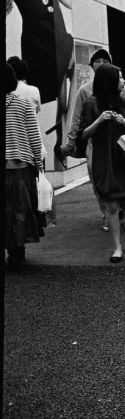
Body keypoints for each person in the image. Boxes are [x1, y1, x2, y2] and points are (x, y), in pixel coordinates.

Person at [6, 0, 74, 166]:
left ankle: (61, 140)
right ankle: (47, 148)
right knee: (39, 96)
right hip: (35, 33)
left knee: (68, 77)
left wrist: (76, 5)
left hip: (56, 25)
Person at [77, 65, 125, 262]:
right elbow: (83, 135)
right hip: (105, 162)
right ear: (110, 82)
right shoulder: (91, 103)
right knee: (112, 207)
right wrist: (99, 121)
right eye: (120, 78)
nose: (123, 81)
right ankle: (117, 247)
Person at [62, 49, 125, 231]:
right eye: (97, 60)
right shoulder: (85, 91)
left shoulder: (123, 88)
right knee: (97, 177)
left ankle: (120, 209)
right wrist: (70, 142)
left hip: (119, 141)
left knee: (121, 176)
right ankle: (107, 211)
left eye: (105, 59)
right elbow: (76, 118)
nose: (100, 62)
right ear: (92, 66)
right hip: (95, 143)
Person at [5, 62, 45, 268]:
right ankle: (16, 251)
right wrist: (39, 160)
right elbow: (33, 135)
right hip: (20, 165)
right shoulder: (23, 103)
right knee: (19, 210)